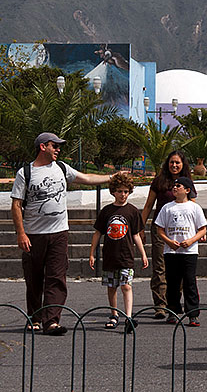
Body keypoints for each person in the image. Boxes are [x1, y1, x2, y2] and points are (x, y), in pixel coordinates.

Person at [11, 132, 123, 335]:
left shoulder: (62, 168)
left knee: (56, 277)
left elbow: (87, 178)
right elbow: (17, 204)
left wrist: (111, 177)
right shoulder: (25, 172)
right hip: (34, 234)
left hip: (59, 233)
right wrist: (21, 233)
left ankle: (51, 321)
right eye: (55, 146)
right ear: (43, 147)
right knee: (34, 278)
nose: (58, 150)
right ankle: (35, 317)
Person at [89, 173, 148, 333]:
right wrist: (92, 253)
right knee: (111, 286)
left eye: (126, 192)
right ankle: (114, 314)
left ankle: (128, 316)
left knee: (126, 286)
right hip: (110, 255)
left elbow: (136, 234)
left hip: (126, 255)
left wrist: (143, 253)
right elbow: (97, 233)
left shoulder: (132, 211)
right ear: (113, 191)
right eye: (120, 191)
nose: (123, 195)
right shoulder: (107, 211)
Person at [140, 150, 194, 319]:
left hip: (181, 232)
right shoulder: (159, 181)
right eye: (171, 162)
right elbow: (148, 206)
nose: (174, 165)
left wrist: (197, 230)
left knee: (177, 269)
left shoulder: (187, 182)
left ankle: (174, 304)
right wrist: (140, 228)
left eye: (177, 162)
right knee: (159, 268)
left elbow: (192, 207)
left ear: (183, 164)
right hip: (161, 231)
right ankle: (160, 306)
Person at [155, 177, 207, 327]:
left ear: (187, 190)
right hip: (171, 252)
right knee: (172, 282)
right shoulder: (167, 207)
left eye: (178, 186)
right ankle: (172, 311)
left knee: (190, 282)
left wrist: (191, 241)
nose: (175, 188)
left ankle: (192, 313)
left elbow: (202, 228)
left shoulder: (194, 207)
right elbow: (160, 229)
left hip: (189, 252)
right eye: (174, 186)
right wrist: (169, 242)